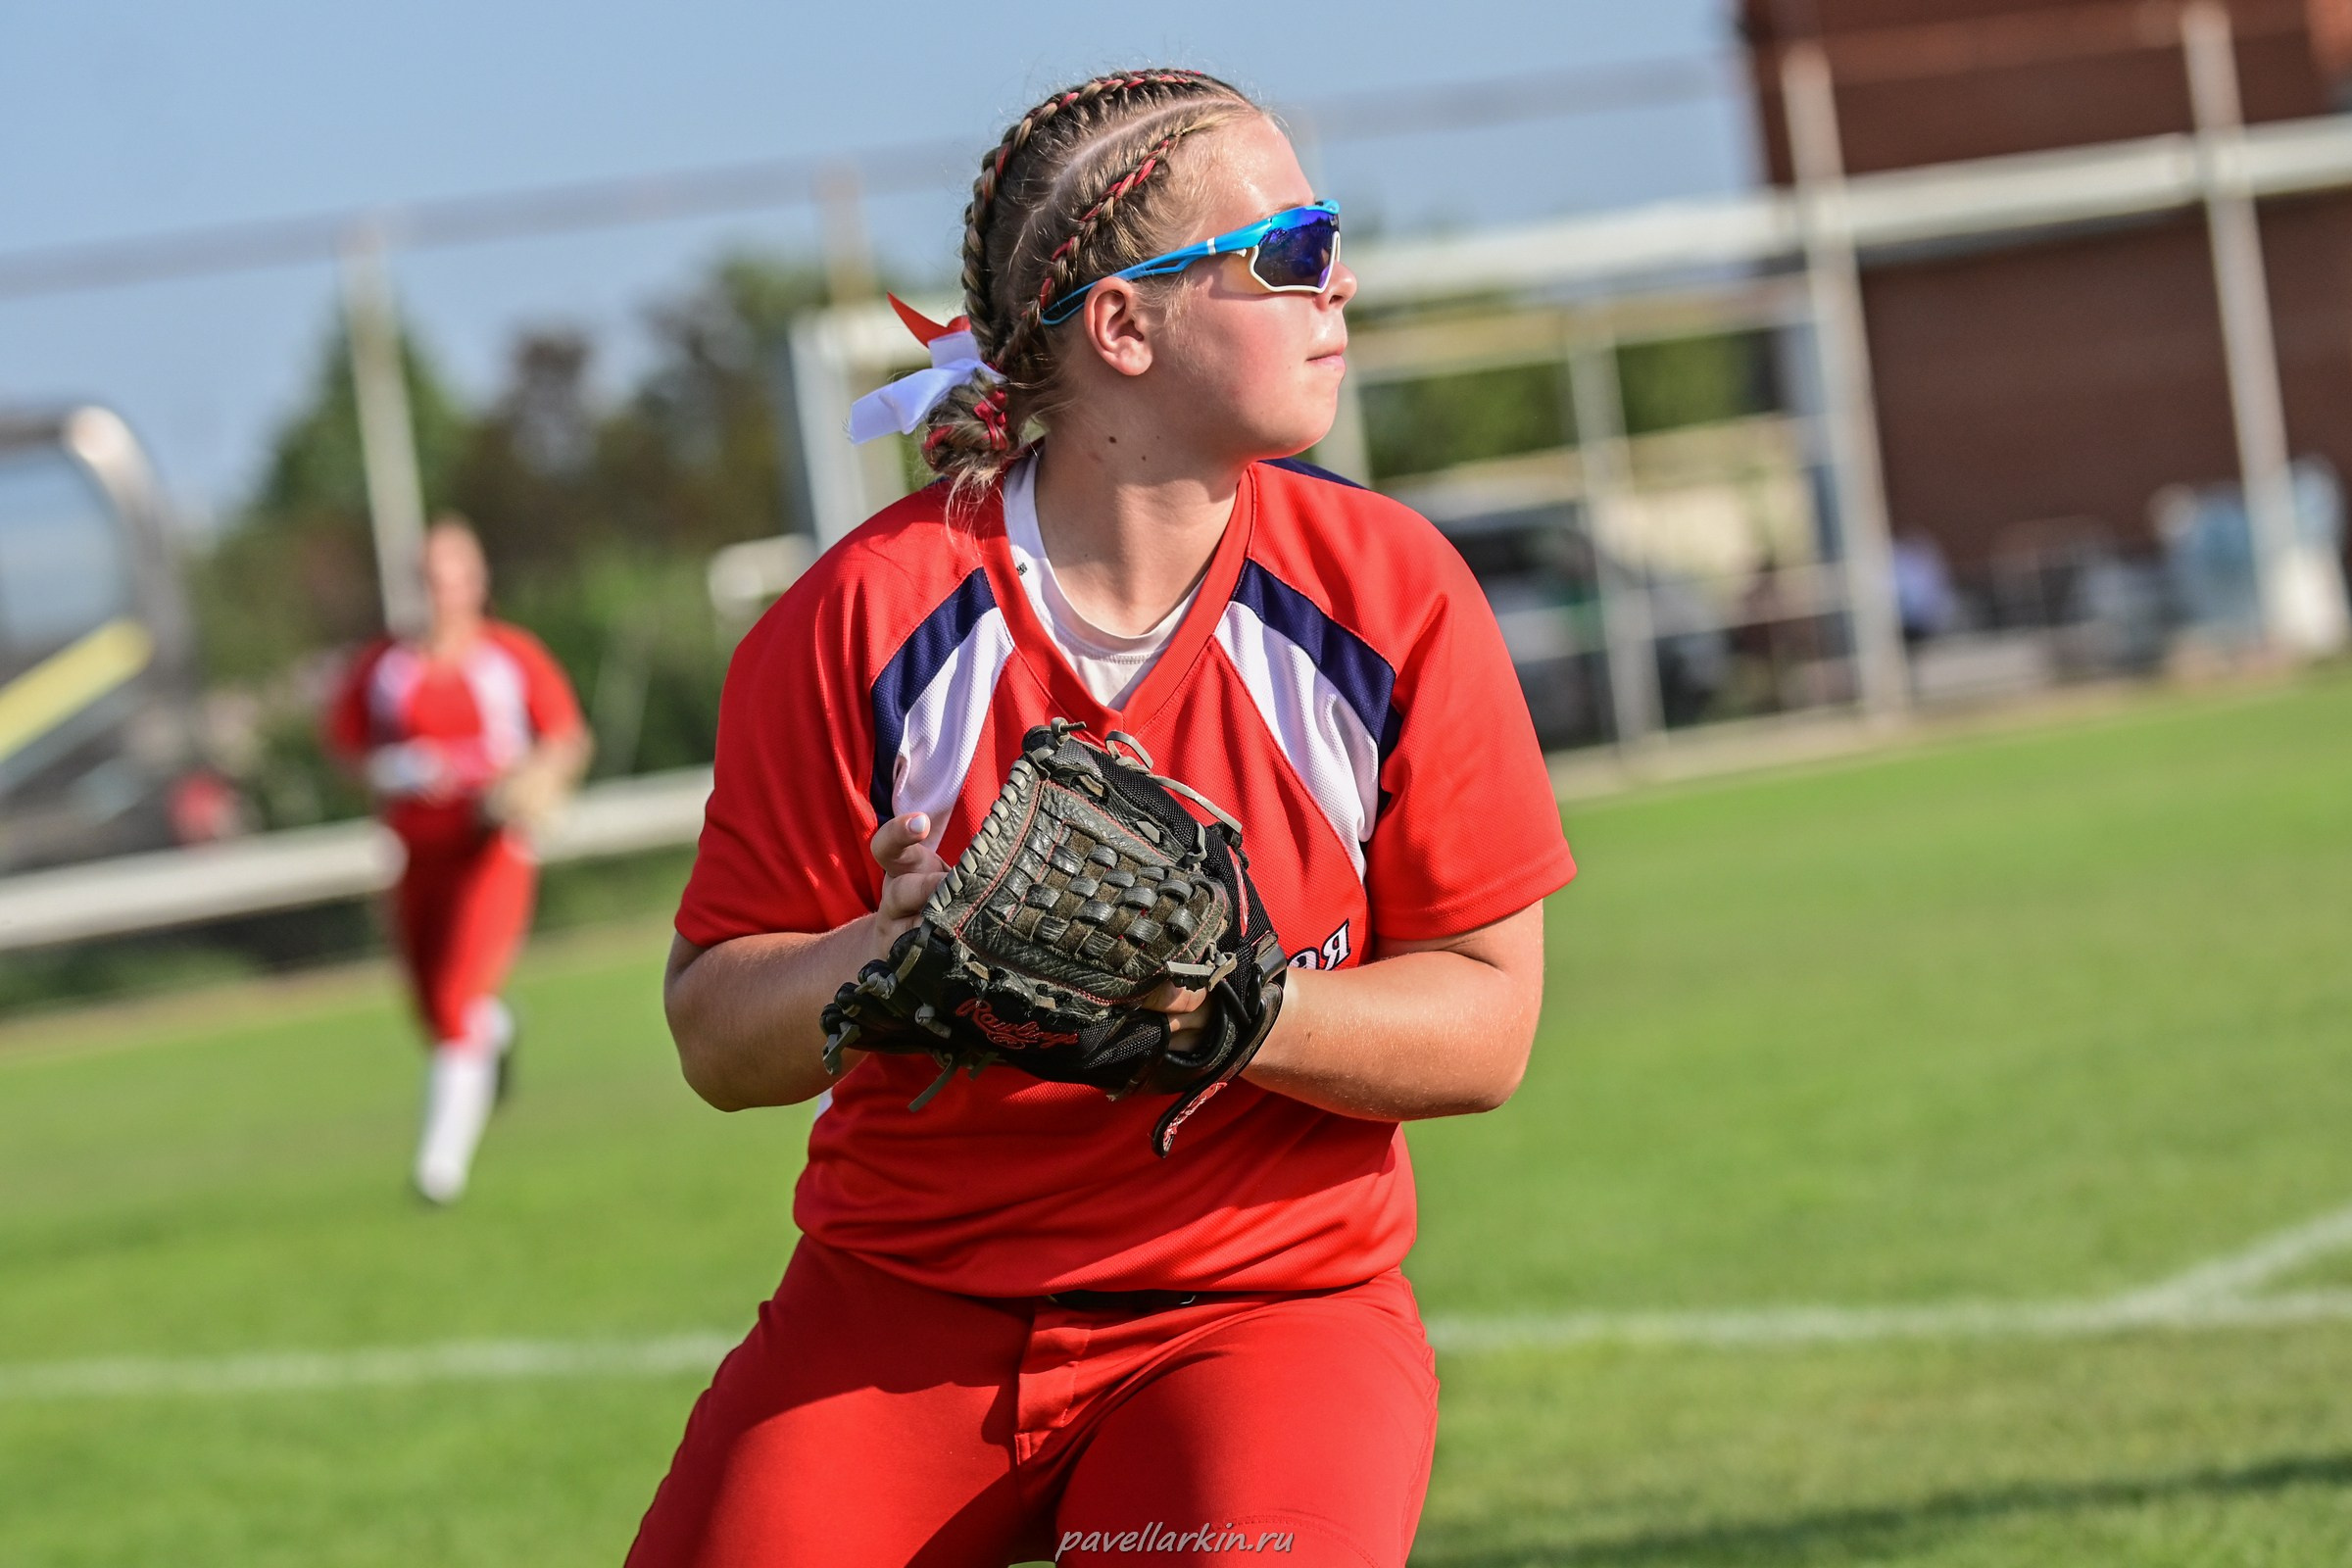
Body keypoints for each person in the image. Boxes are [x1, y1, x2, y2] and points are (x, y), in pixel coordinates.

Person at [635, 71, 1575, 1566]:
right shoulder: (862, 623)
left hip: (1263, 1310)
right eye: (1288, 249)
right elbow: (713, 1040)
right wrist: (883, 958)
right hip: (905, 1306)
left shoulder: (1388, 597)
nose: (1338, 282)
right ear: (1123, 328)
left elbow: (1487, 1028)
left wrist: (1230, 1006)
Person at [326, 517, 589, 1204]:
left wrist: (526, 787)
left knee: (453, 999)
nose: (441, 594)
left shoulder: (508, 656)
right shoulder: (385, 667)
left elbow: (564, 740)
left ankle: (438, 1171)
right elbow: (347, 753)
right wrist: (392, 770)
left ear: (476, 583)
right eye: (428, 580)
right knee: (429, 1006)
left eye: (452, 578)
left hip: (489, 849)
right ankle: (495, 1033)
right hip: (418, 853)